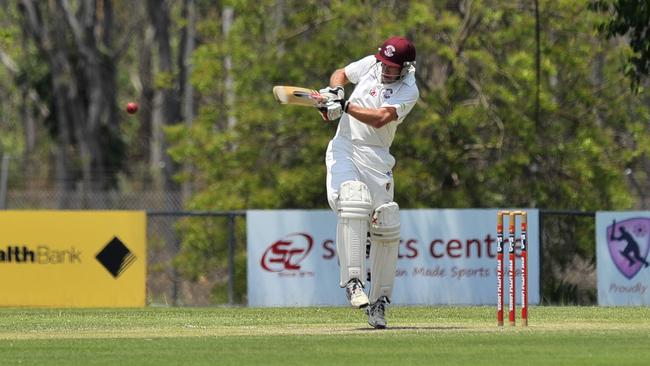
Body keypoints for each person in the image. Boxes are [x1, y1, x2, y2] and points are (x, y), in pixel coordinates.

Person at [317, 36, 419, 329]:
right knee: (353, 198)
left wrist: (344, 105)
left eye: (392, 68)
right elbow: (341, 74)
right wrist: (334, 92)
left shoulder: (409, 89)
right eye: (384, 65)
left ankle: (379, 304)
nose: (386, 71)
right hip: (346, 146)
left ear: (406, 67)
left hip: (377, 157)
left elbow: (380, 118)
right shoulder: (372, 64)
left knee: (386, 221)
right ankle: (352, 282)